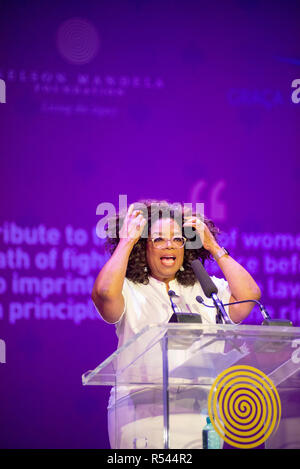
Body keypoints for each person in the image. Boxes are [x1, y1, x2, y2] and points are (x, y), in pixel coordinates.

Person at [92, 200, 261, 449]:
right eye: (158, 239)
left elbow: (249, 296)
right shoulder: (129, 288)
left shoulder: (205, 288)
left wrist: (213, 246)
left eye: (178, 239)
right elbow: (105, 293)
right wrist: (127, 241)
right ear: (144, 247)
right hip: (142, 415)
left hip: (201, 415)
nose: (169, 244)